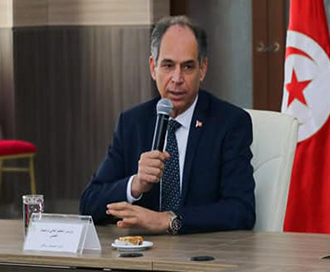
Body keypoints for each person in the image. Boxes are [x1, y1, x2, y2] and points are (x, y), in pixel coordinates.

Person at [80, 16, 256, 234]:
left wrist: (168, 220)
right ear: (153, 68)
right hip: (144, 252)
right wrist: (135, 185)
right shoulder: (132, 123)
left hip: (205, 251)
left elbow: (241, 210)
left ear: (203, 69)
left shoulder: (230, 123)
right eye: (168, 65)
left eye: (188, 67)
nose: (177, 78)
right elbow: (89, 203)